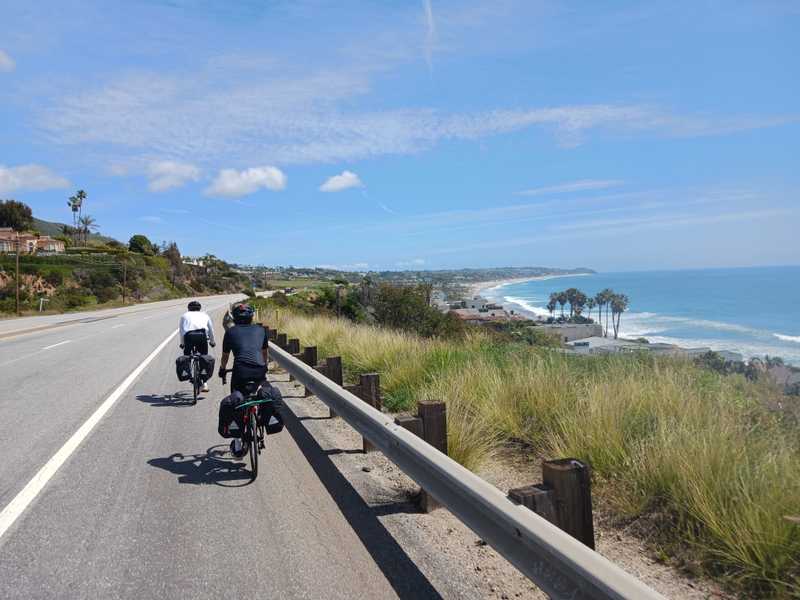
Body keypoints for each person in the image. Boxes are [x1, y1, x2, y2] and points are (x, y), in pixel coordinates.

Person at [218, 303, 269, 456]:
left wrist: (222, 370)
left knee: (238, 400)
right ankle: (259, 419)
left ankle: (239, 442)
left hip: (240, 371)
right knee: (259, 393)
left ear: (234, 318)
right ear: (251, 317)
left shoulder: (230, 332)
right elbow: (264, 352)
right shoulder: (261, 330)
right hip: (259, 368)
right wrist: (264, 367)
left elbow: (225, 357)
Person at [179, 300, 216, 392]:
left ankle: (189, 375)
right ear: (199, 309)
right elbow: (211, 330)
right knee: (204, 358)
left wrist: (182, 344)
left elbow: (182, 331)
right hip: (202, 336)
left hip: (189, 336)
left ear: (189, 308)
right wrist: (212, 341)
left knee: (187, 356)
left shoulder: (184, 316)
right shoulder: (205, 315)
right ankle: (205, 383)